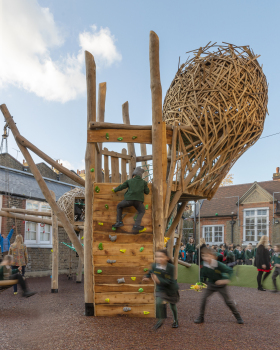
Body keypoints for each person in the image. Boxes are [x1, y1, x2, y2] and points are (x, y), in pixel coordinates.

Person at [194, 247, 243, 324]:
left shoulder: (218, 264)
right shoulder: (203, 265)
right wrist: (199, 284)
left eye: (207, 256)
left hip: (221, 285)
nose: (205, 258)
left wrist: (225, 280)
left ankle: (238, 316)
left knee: (228, 302)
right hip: (211, 284)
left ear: (213, 256)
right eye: (203, 256)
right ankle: (201, 317)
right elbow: (202, 276)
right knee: (203, 299)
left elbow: (230, 271)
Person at [143, 249, 179, 329]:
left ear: (167, 258)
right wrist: (146, 277)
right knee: (158, 301)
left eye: (161, 256)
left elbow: (170, 281)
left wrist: (158, 280)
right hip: (161, 288)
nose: (159, 258)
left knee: (172, 305)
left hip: (171, 289)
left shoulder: (171, 267)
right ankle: (161, 319)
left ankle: (175, 320)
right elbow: (150, 272)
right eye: (157, 256)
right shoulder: (154, 265)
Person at [112, 167, 150, 232]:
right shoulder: (143, 182)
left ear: (134, 175)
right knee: (142, 211)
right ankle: (136, 225)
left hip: (128, 200)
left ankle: (119, 222)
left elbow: (121, 187)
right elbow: (147, 192)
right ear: (140, 176)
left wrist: (115, 189)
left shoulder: (129, 181)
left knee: (119, 206)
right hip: (138, 202)